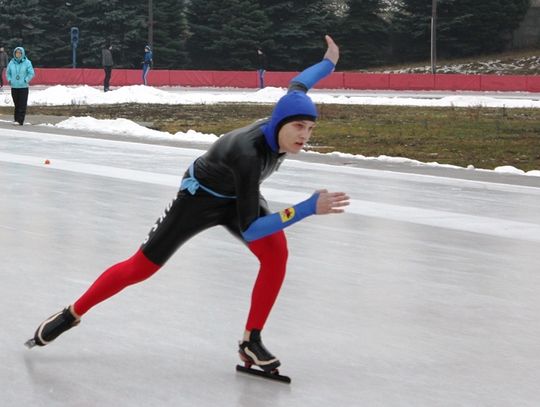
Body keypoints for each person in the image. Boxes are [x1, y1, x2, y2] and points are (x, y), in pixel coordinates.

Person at [27, 35, 348, 373]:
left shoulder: (289, 111)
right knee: (142, 267)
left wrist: (329, 62)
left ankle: (250, 341)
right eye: (299, 126)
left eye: (310, 128)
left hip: (240, 193)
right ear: (282, 122)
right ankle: (72, 313)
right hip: (200, 198)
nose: (304, 135)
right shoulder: (248, 154)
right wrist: (306, 208)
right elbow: (252, 230)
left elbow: (300, 82)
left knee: (276, 253)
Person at [6, 47, 35, 125]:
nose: (18, 54)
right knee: (16, 104)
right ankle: (16, 120)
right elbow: (8, 72)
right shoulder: (11, 62)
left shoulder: (27, 62)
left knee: (22, 104)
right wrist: (9, 80)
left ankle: (20, 120)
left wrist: (26, 80)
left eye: (19, 53)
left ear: (22, 54)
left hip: (23, 87)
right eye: (16, 53)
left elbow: (31, 73)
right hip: (14, 86)